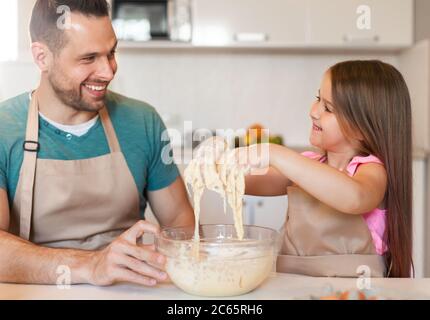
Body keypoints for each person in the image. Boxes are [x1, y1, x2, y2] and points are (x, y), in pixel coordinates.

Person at [0, 0, 194, 286]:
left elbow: (180, 223)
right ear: (42, 57)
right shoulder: (4, 128)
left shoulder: (142, 122)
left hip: (129, 290)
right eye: (88, 58)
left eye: (111, 53)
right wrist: (92, 266)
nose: (108, 71)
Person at [230, 60, 413, 278]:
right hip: (292, 285)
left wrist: (276, 153)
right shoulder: (307, 166)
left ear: (363, 127)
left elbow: (354, 197)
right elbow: (238, 181)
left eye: (328, 108)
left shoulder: (371, 172)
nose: (314, 111)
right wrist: (216, 161)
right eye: (318, 99)